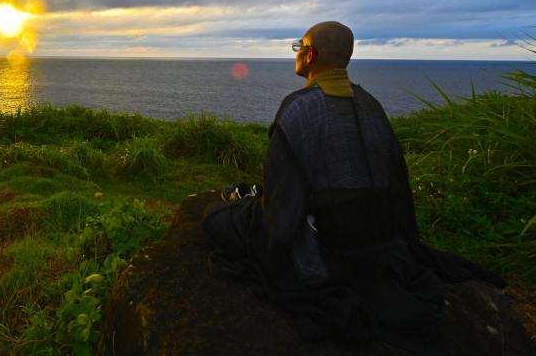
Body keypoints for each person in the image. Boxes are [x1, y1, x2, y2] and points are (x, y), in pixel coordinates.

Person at [202, 21, 504, 351]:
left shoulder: (297, 109)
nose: (297, 53)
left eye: (299, 47)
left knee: (214, 219)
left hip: (326, 246)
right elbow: (397, 189)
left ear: (311, 54)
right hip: (380, 243)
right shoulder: (371, 104)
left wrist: (268, 229)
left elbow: (283, 209)